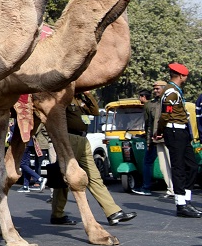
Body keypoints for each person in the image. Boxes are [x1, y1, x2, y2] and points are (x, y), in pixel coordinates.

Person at [50, 90, 136, 225]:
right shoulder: (64, 97)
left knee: (94, 176)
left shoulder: (80, 99)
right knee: (65, 178)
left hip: (83, 139)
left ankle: (113, 212)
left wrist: (88, 94)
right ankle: (57, 214)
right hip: (69, 138)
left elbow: (95, 111)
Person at [157, 63, 200, 217]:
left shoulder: (174, 91)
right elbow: (166, 115)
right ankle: (181, 205)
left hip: (181, 132)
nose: (186, 78)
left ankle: (186, 201)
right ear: (181, 76)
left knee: (192, 166)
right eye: (186, 75)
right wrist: (159, 131)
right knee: (179, 168)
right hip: (174, 131)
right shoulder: (171, 93)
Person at [132, 84, 163, 196]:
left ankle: (146, 187)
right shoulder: (158, 103)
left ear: (143, 97)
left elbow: (148, 125)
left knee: (147, 162)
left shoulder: (149, 105)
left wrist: (148, 140)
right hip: (163, 138)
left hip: (156, 138)